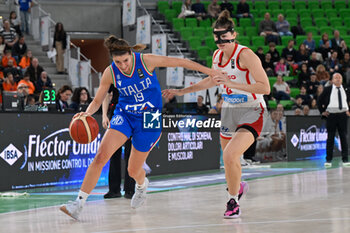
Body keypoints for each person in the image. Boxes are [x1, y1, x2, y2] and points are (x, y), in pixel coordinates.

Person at [59, 35, 224, 220]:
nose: (122, 65)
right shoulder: (110, 72)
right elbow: (98, 100)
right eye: (118, 62)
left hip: (149, 117)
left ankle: (141, 185)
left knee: (133, 170)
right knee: (100, 156)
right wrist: (87, 114)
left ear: (131, 54)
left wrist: (210, 71)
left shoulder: (146, 61)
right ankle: (78, 204)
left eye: (125, 60)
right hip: (125, 114)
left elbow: (180, 61)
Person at [163, 10, 270, 218]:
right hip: (229, 111)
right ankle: (237, 187)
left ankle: (233, 203)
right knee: (228, 160)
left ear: (233, 34)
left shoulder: (246, 55)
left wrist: (231, 83)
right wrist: (181, 91)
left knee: (231, 154)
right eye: (217, 36)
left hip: (252, 110)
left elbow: (265, 88)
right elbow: (211, 80)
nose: (220, 41)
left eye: (224, 36)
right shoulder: (217, 56)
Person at [102, 85, 135, 199]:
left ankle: (130, 189)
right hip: (116, 114)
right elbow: (106, 94)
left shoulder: (138, 73)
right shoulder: (114, 72)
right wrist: (104, 115)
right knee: (113, 152)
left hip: (133, 114)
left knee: (130, 153)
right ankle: (114, 189)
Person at [317, 73, 350, 167]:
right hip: (331, 115)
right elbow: (319, 101)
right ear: (332, 80)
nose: (338, 79)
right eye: (336, 78)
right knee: (330, 137)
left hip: (343, 115)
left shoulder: (346, 89)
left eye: (340, 77)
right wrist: (322, 111)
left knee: (343, 137)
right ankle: (328, 160)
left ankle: (345, 159)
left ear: (342, 80)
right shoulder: (328, 89)